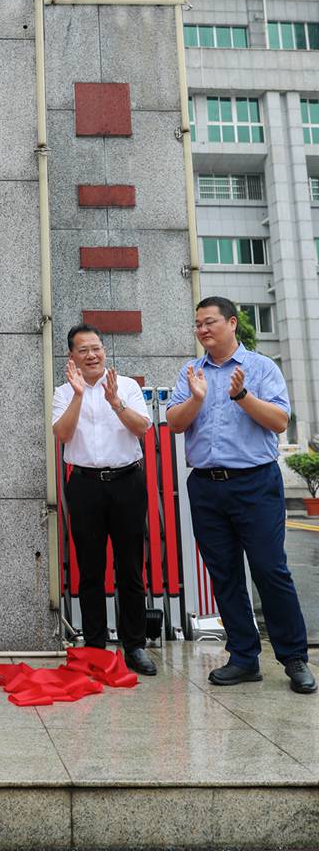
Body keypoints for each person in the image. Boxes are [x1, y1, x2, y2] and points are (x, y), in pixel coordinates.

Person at [167, 296, 316, 693]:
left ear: (232, 323)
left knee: (270, 570)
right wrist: (197, 398)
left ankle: (294, 658)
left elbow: (280, 421)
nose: (202, 330)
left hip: (255, 483)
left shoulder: (262, 368)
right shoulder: (192, 372)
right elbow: (174, 424)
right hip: (206, 485)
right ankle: (244, 657)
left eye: (209, 322)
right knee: (226, 575)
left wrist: (242, 396)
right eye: (197, 323)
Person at [52, 323, 157, 675]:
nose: (92, 354)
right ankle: (95, 646)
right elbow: (62, 435)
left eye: (96, 347)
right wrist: (80, 395)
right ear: (72, 357)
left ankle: (135, 645)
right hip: (84, 486)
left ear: (104, 350)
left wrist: (116, 403)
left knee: (130, 567)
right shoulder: (64, 392)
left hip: (127, 482)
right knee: (91, 568)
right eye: (84, 350)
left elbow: (142, 428)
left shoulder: (126, 386)